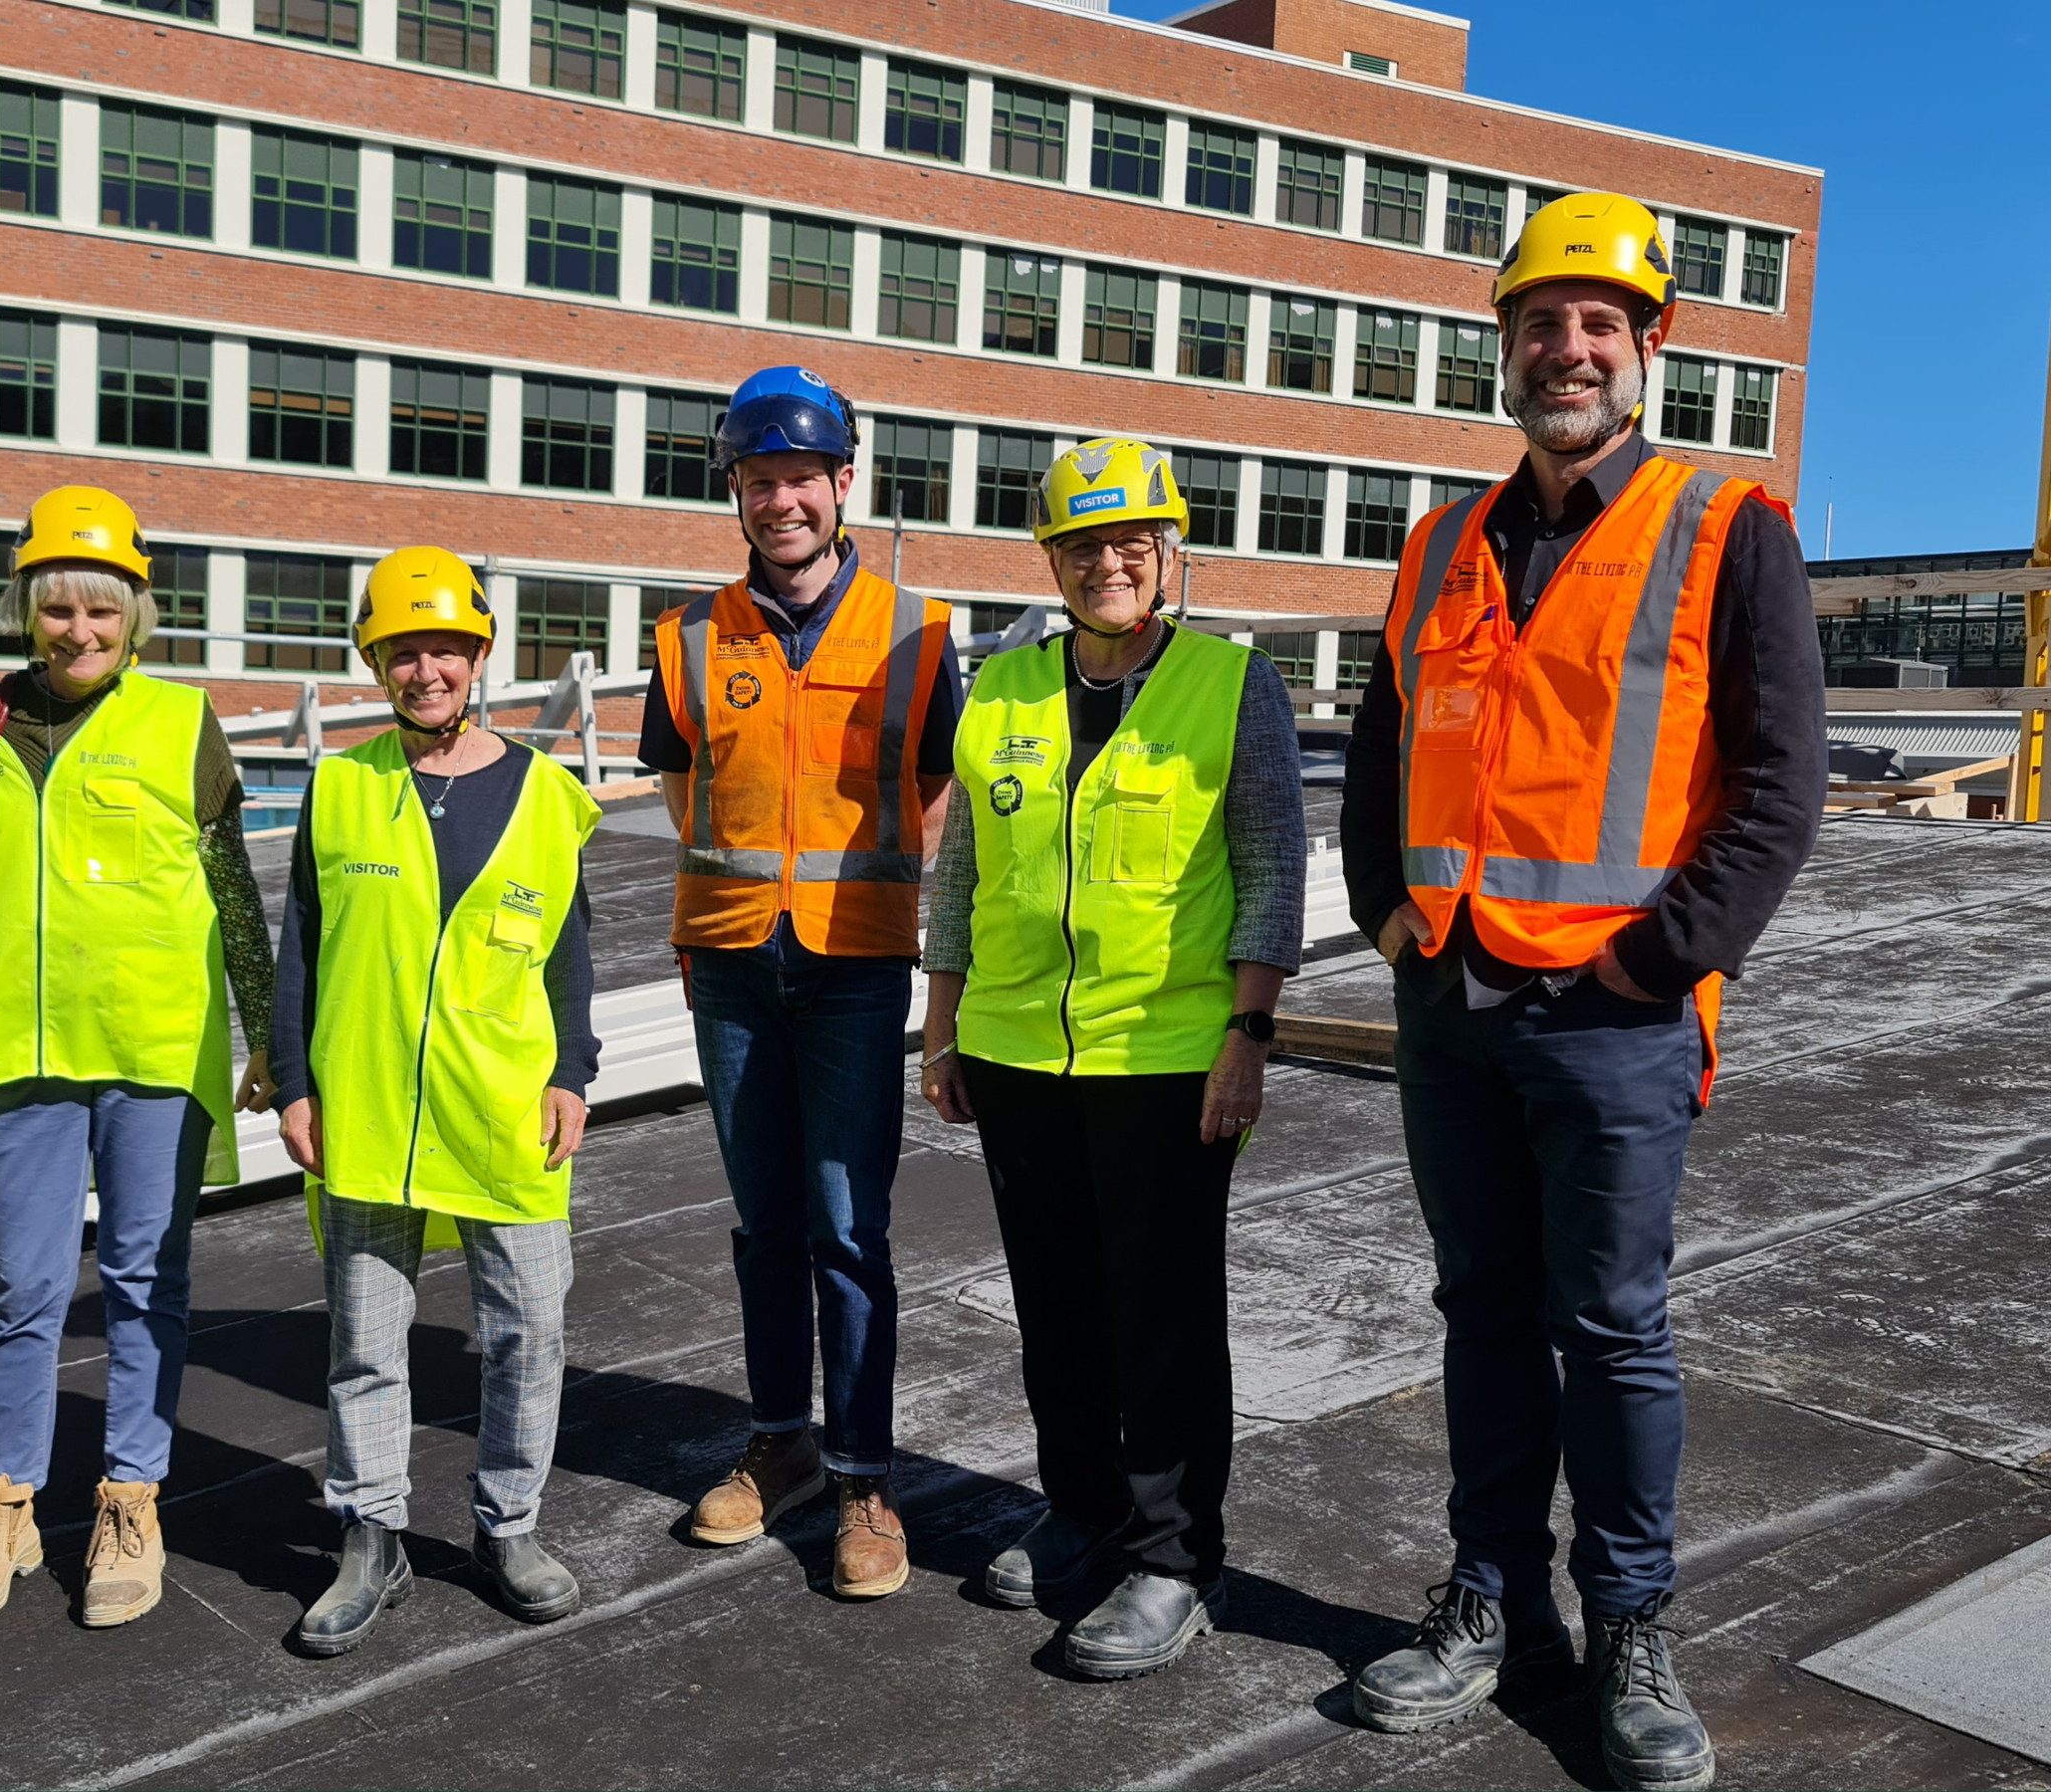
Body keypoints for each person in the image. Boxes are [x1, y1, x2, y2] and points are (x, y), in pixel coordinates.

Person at [1338, 193, 1823, 1792]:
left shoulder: (1723, 523)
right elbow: (1383, 759)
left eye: (1599, 322)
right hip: (1454, 1001)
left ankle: (1629, 1626)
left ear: (1649, 347)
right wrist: (1395, 929)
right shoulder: (1437, 545)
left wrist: (1654, 959)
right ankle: (1492, 1601)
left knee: (1610, 1328)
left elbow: (1776, 791)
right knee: (1479, 1310)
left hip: (1617, 1012)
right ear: (1506, 348)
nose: (1568, 348)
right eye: (1541, 322)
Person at [919, 440, 1306, 1679]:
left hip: (1169, 1055)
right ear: (1051, 559)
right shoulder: (1003, 689)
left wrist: (1246, 1037)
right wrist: (941, 1020)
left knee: (1163, 1319)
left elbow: (1269, 873)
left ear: (1169, 548)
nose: (1109, 561)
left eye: (1132, 539)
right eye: (1083, 544)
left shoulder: (1228, 685)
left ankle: (1172, 1558)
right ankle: (1078, 1508)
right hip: (1018, 1047)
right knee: (1056, 1309)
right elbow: (963, 871)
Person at [0, 485, 278, 1633]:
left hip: (152, 1051)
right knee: (17, 1286)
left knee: (141, 1284)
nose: (79, 633)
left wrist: (261, 1030)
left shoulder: (179, 724)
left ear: (135, 618)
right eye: (59, 609)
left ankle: (129, 1497)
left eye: (101, 614)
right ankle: (3, 1503)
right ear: (26, 609)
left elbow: (232, 887)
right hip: (15, 1056)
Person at [641, 365, 959, 1599]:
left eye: (801, 480)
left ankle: (864, 1475)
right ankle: (780, 1443)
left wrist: (871, 904)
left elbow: (935, 796)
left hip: (853, 967)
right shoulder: (686, 636)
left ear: (843, 485)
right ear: (736, 493)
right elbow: (681, 796)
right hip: (726, 960)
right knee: (765, 1224)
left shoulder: (916, 632)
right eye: (757, 481)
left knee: (846, 1225)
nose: (781, 502)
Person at [272, 547, 602, 1655]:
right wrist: (294, 1081)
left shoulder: (547, 797)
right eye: (402, 651)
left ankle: (507, 1527)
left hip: (504, 1106)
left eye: (444, 650)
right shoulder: (339, 787)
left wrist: (571, 1072)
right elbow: (300, 954)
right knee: (366, 1343)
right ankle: (370, 1536)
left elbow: (569, 953)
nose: (425, 670)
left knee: (529, 1334)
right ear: (376, 663)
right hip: (363, 1108)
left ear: (476, 656)